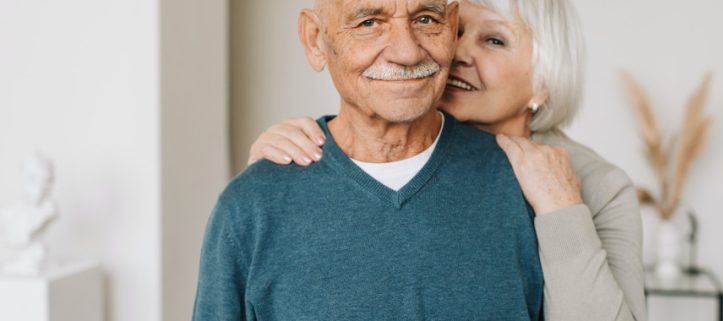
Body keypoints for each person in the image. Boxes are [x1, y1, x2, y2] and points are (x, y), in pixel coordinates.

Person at [247, 0, 647, 320]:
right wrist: (276, 176)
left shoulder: (600, 185)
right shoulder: (387, 153)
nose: (458, 54)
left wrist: (562, 210)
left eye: (494, 41)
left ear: (543, 80)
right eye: (453, 32)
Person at [193, 0, 546, 320]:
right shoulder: (250, 207)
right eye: (369, 23)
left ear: (451, 28)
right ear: (316, 40)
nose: (406, 52)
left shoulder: (527, 188)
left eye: (425, 19)